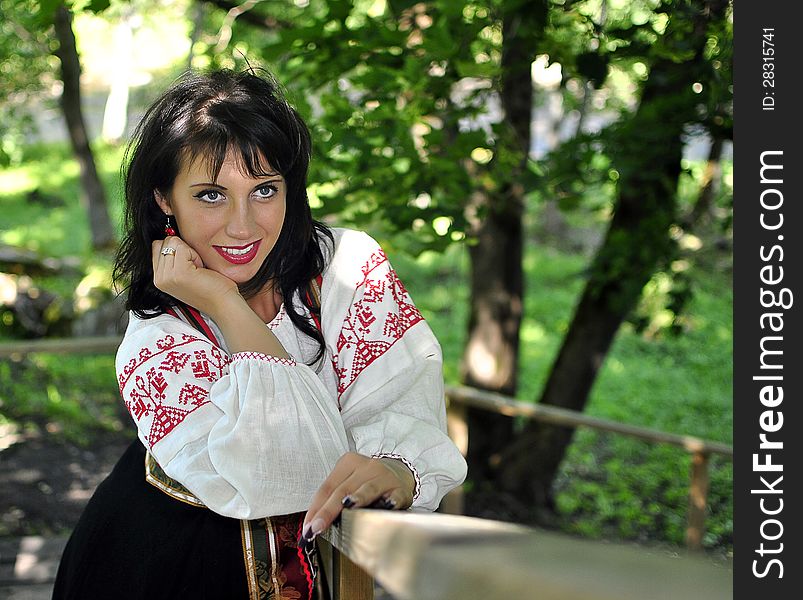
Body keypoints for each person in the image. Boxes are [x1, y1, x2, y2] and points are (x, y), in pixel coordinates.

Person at [52, 68, 467, 600]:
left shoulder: (345, 269)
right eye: (209, 195)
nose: (242, 226)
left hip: (323, 569)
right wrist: (224, 303)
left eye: (264, 189)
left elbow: (405, 408)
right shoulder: (158, 334)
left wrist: (397, 469)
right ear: (164, 200)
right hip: (162, 566)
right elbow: (291, 467)